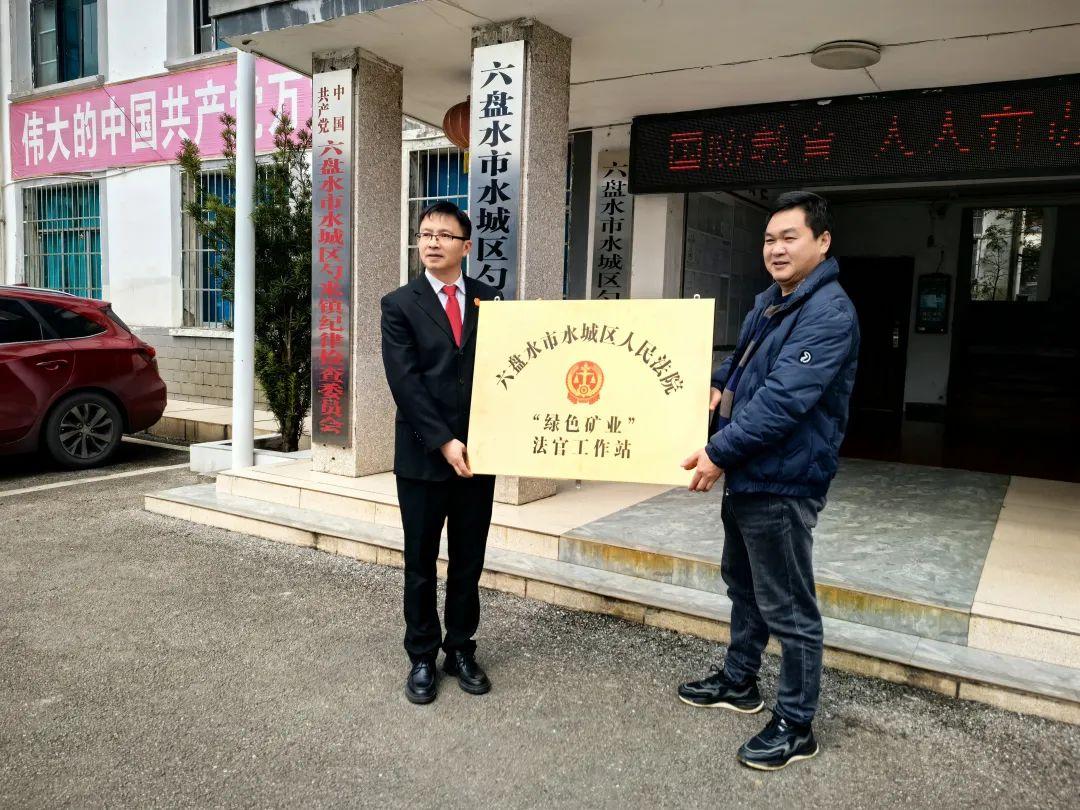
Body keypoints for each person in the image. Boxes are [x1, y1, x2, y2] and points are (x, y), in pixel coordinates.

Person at [678, 191, 859, 770]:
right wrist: (713, 384)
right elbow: (742, 364)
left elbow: (782, 402)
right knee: (744, 585)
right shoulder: (773, 302)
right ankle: (740, 681)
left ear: (822, 242)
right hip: (751, 474)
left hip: (783, 480)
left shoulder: (828, 312)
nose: (776, 249)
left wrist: (717, 452)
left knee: (789, 607)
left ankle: (797, 724)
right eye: (769, 239)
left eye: (789, 238)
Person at [380, 201, 499, 705]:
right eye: (425, 233)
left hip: (479, 455)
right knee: (421, 562)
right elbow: (404, 382)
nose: (432, 242)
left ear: (466, 246)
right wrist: (445, 441)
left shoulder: (491, 301)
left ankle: (461, 649)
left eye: (445, 235)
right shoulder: (398, 304)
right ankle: (423, 656)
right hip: (424, 455)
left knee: (469, 561)